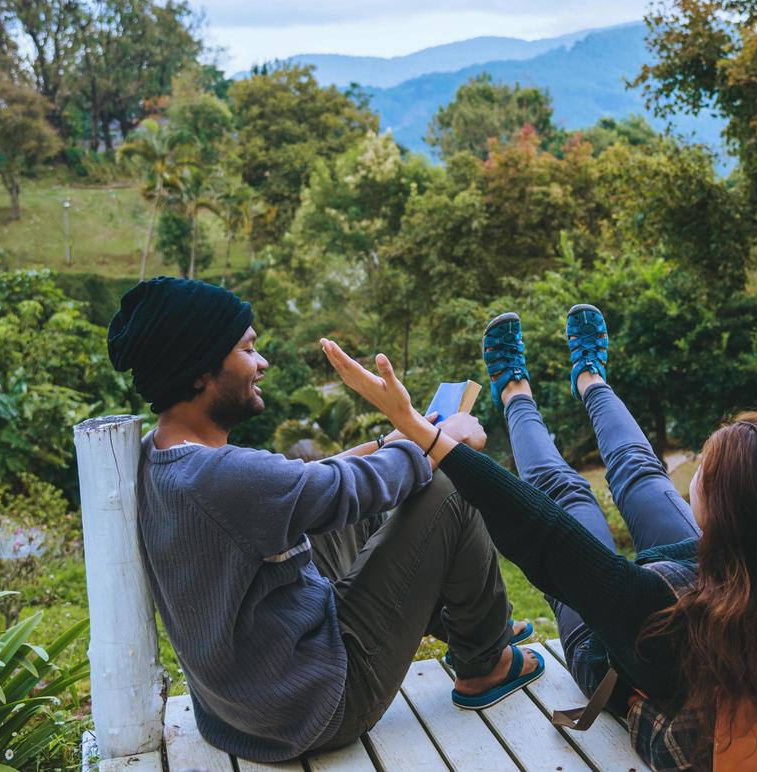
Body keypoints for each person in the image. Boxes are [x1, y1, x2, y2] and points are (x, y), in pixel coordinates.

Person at [321, 282, 757, 771]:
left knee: (563, 493)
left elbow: (544, 538)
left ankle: (515, 393)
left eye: (705, 475)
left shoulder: (664, 618)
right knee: (641, 474)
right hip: (723, 628)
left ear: (725, 523)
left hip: (624, 656)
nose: (694, 474)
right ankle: (591, 377)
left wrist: (420, 430)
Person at [105, 277, 542, 765]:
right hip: (316, 704)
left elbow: (308, 485)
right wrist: (444, 441)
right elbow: (338, 485)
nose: (262, 363)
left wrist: (393, 440)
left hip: (245, 703)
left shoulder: (163, 457)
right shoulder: (220, 476)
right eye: (248, 350)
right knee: (446, 488)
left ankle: (479, 627)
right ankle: (487, 663)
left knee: (368, 501)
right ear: (198, 372)